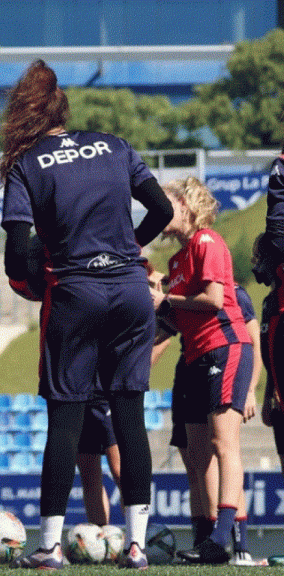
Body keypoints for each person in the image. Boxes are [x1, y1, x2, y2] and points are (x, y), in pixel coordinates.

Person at [0, 61, 172, 570]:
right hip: (129, 292)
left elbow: (15, 255)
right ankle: (137, 546)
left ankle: (49, 546)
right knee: (130, 417)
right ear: (64, 109)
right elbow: (161, 211)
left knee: (65, 420)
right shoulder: (115, 146)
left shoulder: (28, 163)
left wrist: (39, 278)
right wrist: (124, 250)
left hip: (75, 294)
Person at [152, 177, 253, 564]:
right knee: (196, 454)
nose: (156, 211)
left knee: (223, 444)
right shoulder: (177, 260)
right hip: (193, 355)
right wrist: (160, 306)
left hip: (224, 348)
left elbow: (212, 300)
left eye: (163, 203)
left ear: (185, 203)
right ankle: (202, 539)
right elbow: (179, 318)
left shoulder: (206, 241)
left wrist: (165, 298)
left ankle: (222, 540)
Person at [76, 399, 122, 527]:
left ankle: (135, 540)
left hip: (107, 398)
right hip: (80, 398)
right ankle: (99, 536)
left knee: (121, 474)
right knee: (89, 477)